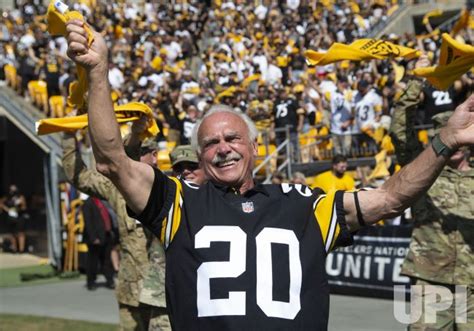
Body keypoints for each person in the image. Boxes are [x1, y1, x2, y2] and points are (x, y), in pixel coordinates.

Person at [66, 20, 474, 330]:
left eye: (232, 138)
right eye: (211, 143)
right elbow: (111, 160)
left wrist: (447, 139)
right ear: (202, 156)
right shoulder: (179, 203)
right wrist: (98, 72)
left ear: (255, 146)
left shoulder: (305, 204)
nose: (223, 147)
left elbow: (390, 197)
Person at [390, 56, 474, 330]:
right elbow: (400, 130)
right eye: (449, 134)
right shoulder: (422, 171)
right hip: (431, 282)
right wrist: (417, 80)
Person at [62, 121, 170, 330]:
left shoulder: (168, 186)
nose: (133, 160)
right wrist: (68, 136)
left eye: (143, 153)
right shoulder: (116, 189)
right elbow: (79, 177)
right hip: (131, 288)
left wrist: (136, 134)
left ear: (155, 155)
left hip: (162, 292)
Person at [82, 194, 116, 290]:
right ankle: (91, 282)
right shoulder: (88, 203)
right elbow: (88, 222)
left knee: (106, 259)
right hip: (95, 238)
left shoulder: (103, 201)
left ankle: (110, 280)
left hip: (106, 235)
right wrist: (93, 238)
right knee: (93, 261)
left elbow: (108, 217)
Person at [0, 185, 29, 253]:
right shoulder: (7, 197)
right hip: (11, 217)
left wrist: (20, 205)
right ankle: (14, 249)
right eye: (11, 190)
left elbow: (24, 207)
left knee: (20, 233)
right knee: (12, 233)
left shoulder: (20, 197)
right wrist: (7, 209)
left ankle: (21, 249)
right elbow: (1, 203)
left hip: (19, 217)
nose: (12, 192)